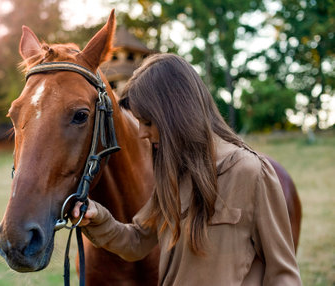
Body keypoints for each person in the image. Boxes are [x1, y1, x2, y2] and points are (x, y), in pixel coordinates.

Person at [72, 53, 301, 285]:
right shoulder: (171, 177)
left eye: (149, 122)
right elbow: (138, 242)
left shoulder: (251, 173)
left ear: (177, 114)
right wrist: (97, 218)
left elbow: (283, 274)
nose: (142, 133)